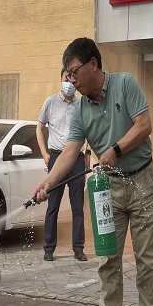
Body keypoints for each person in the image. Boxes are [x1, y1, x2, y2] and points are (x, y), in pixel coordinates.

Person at [32, 37, 153, 306]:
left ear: (93, 64)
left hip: (141, 180)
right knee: (107, 254)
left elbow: (144, 125)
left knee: (145, 254)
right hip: (108, 186)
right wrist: (49, 181)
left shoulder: (125, 84)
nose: (71, 80)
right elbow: (69, 152)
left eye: (74, 72)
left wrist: (115, 149)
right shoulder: (79, 110)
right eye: (67, 74)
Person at [36, 68, 89, 262]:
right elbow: (39, 128)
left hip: (76, 159)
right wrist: (45, 154)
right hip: (56, 157)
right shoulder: (50, 102)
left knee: (77, 206)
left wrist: (87, 154)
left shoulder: (82, 104)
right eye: (66, 78)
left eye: (73, 79)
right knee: (53, 205)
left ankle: (78, 248)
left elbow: (90, 130)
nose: (69, 82)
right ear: (61, 80)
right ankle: (49, 248)